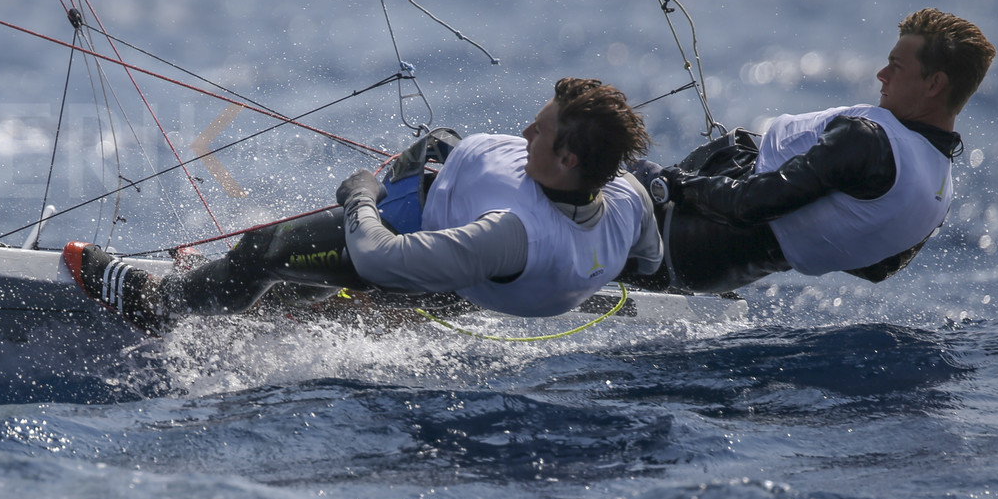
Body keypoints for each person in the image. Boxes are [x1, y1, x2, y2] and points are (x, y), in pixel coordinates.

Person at [63, 77, 661, 331]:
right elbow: (651, 258)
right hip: (439, 179)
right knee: (440, 138)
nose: (527, 134)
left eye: (540, 133)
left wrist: (360, 195)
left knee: (262, 250)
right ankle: (280, 305)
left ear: (568, 163)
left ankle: (158, 307)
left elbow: (379, 255)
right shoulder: (624, 199)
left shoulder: (512, 236)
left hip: (409, 224)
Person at [631, 8, 994, 294]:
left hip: (683, 230)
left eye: (896, 67)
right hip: (714, 275)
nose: (881, 74)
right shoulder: (939, 192)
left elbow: (750, 204)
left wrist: (675, 185)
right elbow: (875, 268)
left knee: (601, 161)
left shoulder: (868, 140)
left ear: (935, 84)